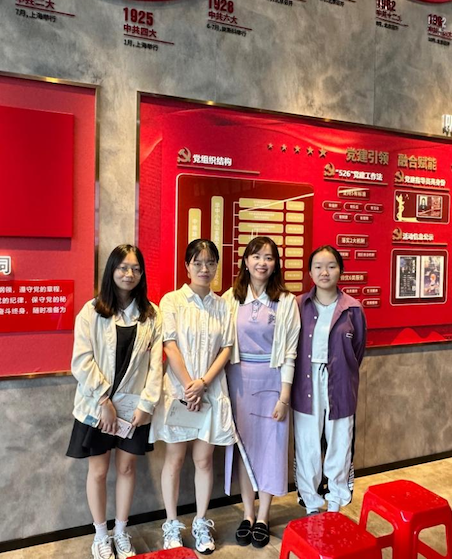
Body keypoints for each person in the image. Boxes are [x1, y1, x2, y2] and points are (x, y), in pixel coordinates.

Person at [67, 244, 164, 559]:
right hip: (98, 407)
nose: (129, 274)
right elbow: (81, 361)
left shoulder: (151, 314)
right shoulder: (92, 311)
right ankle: (100, 535)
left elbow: (156, 366)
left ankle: (121, 532)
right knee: (98, 471)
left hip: (134, 409)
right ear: (111, 270)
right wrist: (103, 400)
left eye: (135, 268)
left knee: (127, 468)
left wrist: (146, 405)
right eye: (123, 267)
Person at [150, 239, 236, 555]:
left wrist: (203, 383)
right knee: (174, 458)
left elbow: (227, 347)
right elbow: (169, 344)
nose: (204, 268)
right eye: (197, 262)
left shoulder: (223, 305)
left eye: (210, 262)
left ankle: (201, 522)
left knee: (203, 459)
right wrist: (190, 385)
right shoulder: (172, 301)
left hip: (210, 392)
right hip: (178, 392)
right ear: (187, 266)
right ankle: (172, 524)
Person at [221, 236, 300, 548]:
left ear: (276, 264)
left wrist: (284, 396)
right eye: (256, 256)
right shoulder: (231, 298)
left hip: (272, 383)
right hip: (238, 383)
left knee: (271, 449)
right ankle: (248, 514)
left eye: (268, 257)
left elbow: (290, 352)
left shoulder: (286, 301)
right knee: (245, 449)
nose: (262, 263)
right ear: (245, 261)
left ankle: (264, 516)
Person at [292, 245, 367, 515]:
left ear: (341, 271)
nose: (325, 272)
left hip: (340, 382)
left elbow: (357, 349)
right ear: (310, 272)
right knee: (307, 444)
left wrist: (341, 372)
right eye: (319, 267)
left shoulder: (353, 308)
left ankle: (335, 501)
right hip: (305, 382)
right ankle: (311, 503)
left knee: (340, 442)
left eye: (331, 266)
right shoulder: (298, 305)